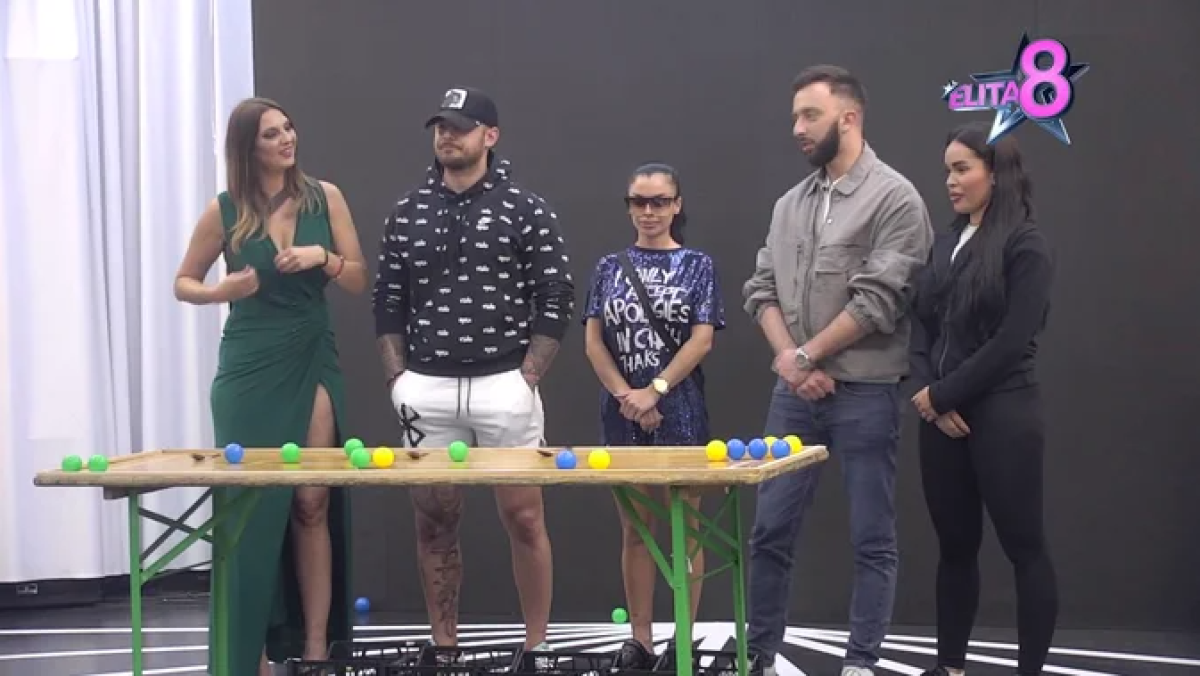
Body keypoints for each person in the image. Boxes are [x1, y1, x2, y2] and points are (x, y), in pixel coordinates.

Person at [741, 65, 934, 676]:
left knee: (871, 537)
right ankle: (759, 655)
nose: (797, 128)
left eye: (810, 115)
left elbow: (878, 301)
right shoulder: (788, 205)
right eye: (795, 116)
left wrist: (805, 357)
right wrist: (792, 363)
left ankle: (860, 661)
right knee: (768, 531)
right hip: (793, 394)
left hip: (866, 393)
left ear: (848, 118)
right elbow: (761, 289)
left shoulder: (896, 199)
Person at [371, 86, 574, 654]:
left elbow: (555, 293)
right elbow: (387, 299)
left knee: (525, 517)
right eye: (441, 126)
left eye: (460, 127)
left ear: (491, 136)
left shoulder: (526, 208)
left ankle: (536, 649)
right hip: (425, 387)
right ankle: (445, 649)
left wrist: (527, 378)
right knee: (433, 522)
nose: (447, 136)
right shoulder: (407, 211)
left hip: (504, 382)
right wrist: (398, 380)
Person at [173, 97, 368, 675]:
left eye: (288, 128)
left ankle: (316, 649)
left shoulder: (325, 197)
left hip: (311, 352)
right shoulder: (225, 210)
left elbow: (358, 278)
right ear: (246, 147)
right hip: (249, 366)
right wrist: (220, 292)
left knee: (311, 500)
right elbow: (184, 282)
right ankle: (250, 655)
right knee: (250, 512)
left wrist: (323, 257)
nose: (287, 139)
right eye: (271, 134)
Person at [909, 121, 1058, 676]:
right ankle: (949, 666)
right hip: (940, 419)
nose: (950, 181)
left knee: (1025, 548)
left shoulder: (1026, 245)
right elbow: (921, 326)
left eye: (962, 169)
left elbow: (1012, 340)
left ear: (995, 174)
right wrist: (928, 393)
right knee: (955, 547)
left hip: (1003, 414)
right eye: (947, 170)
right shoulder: (945, 243)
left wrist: (943, 394)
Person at [581, 163, 725, 670]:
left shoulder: (698, 265)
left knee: (688, 528)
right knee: (636, 528)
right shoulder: (608, 267)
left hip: (680, 411)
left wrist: (656, 390)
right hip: (622, 412)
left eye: (659, 201)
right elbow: (594, 341)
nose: (648, 211)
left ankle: (683, 638)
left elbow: (701, 339)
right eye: (638, 202)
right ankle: (639, 640)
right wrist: (627, 396)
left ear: (676, 205)